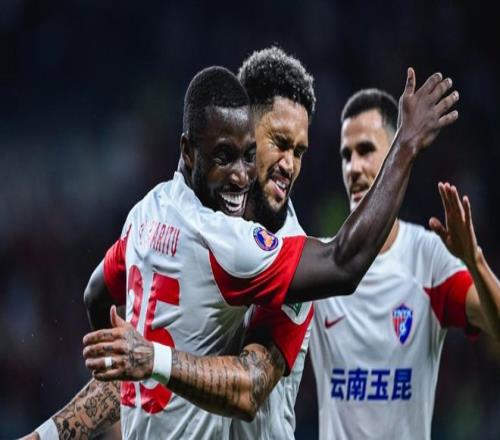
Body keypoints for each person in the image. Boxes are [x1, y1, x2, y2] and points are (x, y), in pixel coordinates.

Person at [28, 59, 459, 439]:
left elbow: (247, 389)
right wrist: (49, 435)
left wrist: (405, 144)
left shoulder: (290, 260)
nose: (290, 165)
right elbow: (134, 352)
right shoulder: (188, 227)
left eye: (300, 152)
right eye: (280, 143)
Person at [309, 88, 500, 440]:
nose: (353, 168)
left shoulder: (427, 258)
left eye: (366, 150)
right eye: (346, 155)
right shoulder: (319, 265)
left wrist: (474, 261)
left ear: (393, 158)